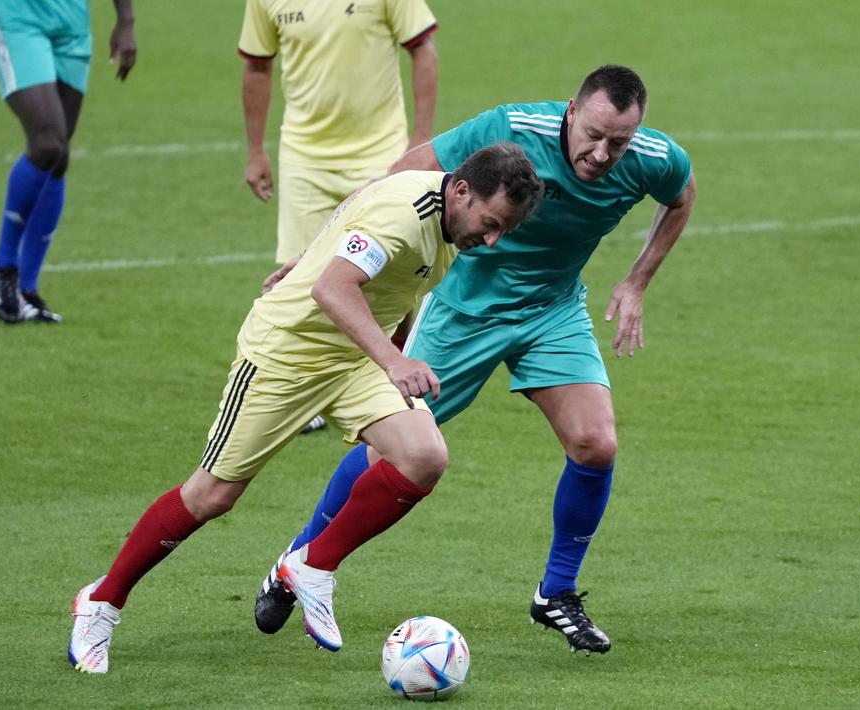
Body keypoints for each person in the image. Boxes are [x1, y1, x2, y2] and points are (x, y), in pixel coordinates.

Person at [254, 65, 697, 655]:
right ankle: (298, 560)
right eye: (594, 134)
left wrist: (638, 281)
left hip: (553, 310)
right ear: (572, 110)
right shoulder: (513, 130)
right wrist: (318, 255)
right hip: (464, 309)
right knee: (391, 447)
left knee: (597, 443)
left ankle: (556, 594)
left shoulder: (655, 158)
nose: (602, 153)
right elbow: (401, 174)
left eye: (619, 141)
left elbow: (681, 198)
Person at [66, 143, 543, 674]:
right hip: (285, 355)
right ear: (460, 190)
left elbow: (376, 249)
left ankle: (312, 564)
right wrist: (389, 356)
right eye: (492, 222)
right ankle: (101, 602)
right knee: (212, 495)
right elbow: (333, 287)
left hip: (352, 359)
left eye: (506, 230)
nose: (493, 239)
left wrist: (322, 260)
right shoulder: (406, 216)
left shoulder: (452, 225)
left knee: (424, 455)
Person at [0, 0, 137, 323]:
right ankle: (3, 265)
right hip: (15, 22)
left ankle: (27, 288)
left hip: (71, 24)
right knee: (46, 144)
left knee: (58, 156)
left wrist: (125, 20)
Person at [239, 0, 439, 265]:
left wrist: (421, 140)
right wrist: (255, 152)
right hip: (305, 163)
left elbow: (423, 50)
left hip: (382, 156)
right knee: (298, 278)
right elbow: (257, 66)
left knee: (389, 277)